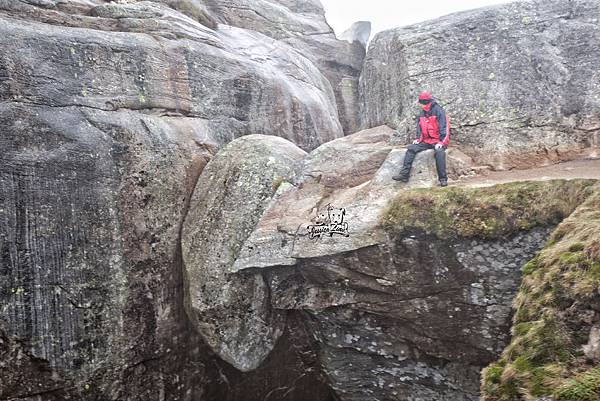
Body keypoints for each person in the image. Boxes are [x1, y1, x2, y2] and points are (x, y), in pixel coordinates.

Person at [392, 91, 450, 187]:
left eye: (419, 102)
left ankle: (443, 179)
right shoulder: (422, 113)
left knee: (439, 152)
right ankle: (404, 175)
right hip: (426, 140)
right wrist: (418, 139)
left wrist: (442, 142)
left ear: (423, 103)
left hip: (437, 140)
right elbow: (420, 127)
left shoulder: (439, 111)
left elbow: (445, 128)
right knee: (411, 149)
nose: (418, 104)